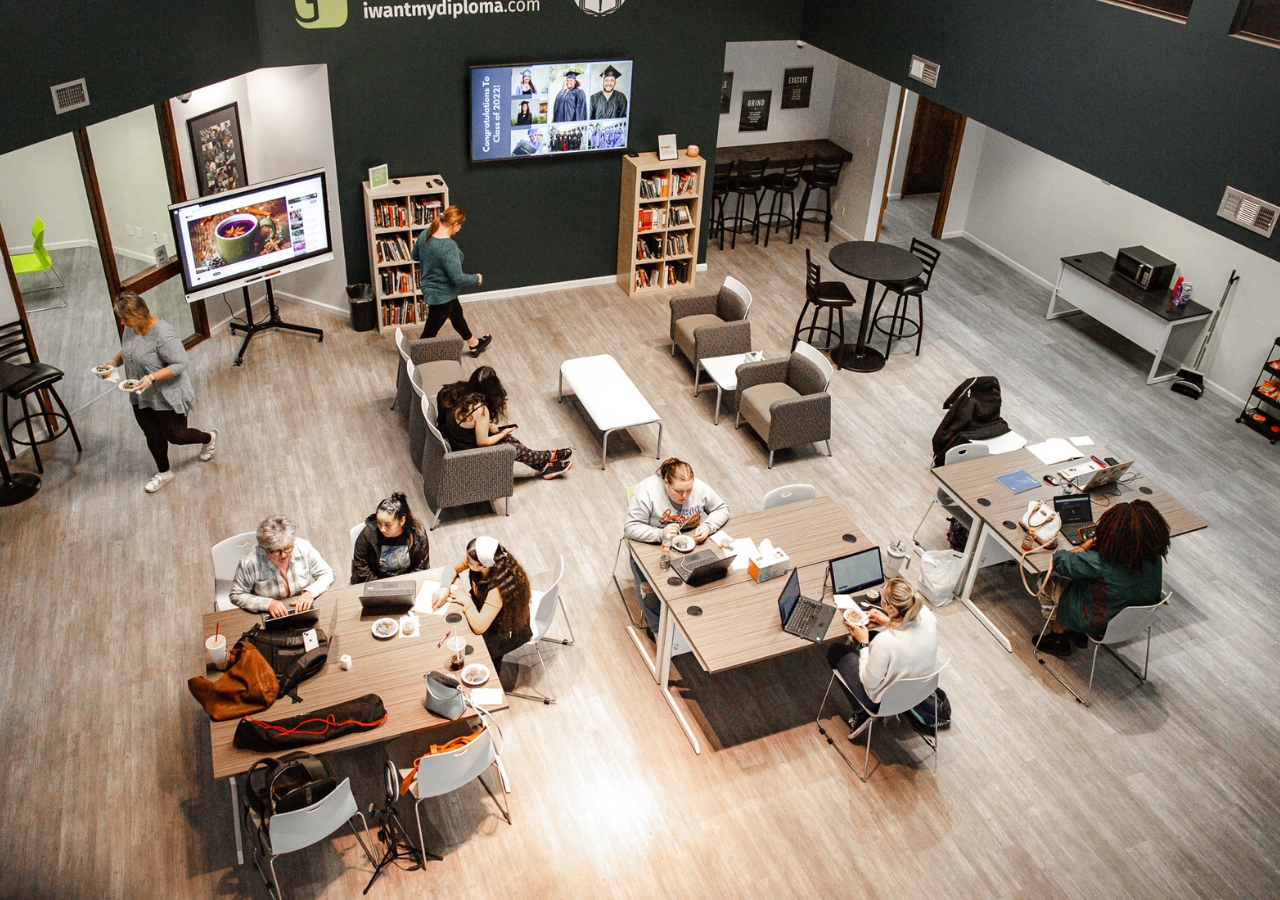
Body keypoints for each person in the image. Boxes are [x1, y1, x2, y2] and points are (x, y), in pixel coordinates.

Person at [103, 290, 217, 494]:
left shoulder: (163, 334)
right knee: (153, 435)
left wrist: (152, 377)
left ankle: (209, 438)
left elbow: (181, 363)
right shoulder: (131, 328)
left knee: (176, 435)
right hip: (142, 395)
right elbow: (128, 349)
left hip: (167, 395)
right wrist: (114, 362)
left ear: (139, 314)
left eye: (125, 318)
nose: (122, 322)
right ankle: (164, 472)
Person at [1032, 499, 1169, 657]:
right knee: (1093, 583)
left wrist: (1087, 544)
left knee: (1045, 582)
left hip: (1097, 623)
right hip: (1135, 622)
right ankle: (1076, 632)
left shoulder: (1101, 563)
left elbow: (1060, 561)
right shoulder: (1154, 555)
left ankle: (1058, 637)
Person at [623, 458, 730, 635]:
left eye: (689, 490)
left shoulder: (700, 488)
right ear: (666, 483)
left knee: (708, 578)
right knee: (652, 589)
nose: (684, 496)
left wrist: (707, 526)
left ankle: (694, 625)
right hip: (654, 546)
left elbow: (722, 508)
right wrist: (660, 534)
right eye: (679, 491)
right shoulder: (646, 492)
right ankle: (657, 629)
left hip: (690, 544)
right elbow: (630, 528)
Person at [827, 578, 939, 735]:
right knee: (873, 634)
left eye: (883, 600)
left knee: (836, 651)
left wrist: (863, 643)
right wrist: (888, 621)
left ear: (891, 608)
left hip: (883, 702)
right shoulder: (927, 616)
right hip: (919, 691)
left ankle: (860, 712)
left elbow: (868, 683)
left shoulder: (886, 642)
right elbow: (908, 639)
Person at [437, 366, 572, 479]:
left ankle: (545, 467)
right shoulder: (480, 409)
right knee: (514, 448)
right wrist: (502, 433)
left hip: (457, 442)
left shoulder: (462, 392)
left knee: (511, 440)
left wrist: (491, 428)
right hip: (467, 456)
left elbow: (468, 422)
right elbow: (482, 443)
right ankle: (549, 456)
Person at [432, 536, 533, 674]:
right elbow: (452, 567)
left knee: (482, 659)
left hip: (502, 630)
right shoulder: (481, 559)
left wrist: (467, 601)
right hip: (482, 607)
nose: (466, 562)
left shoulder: (497, 589)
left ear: (484, 566)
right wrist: (445, 587)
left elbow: (479, 626)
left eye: (469, 561)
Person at [411, 205, 491, 357]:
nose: (460, 228)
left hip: (437, 290)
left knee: (456, 314)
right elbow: (458, 278)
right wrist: (477, 277)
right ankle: (416, 359)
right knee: (430, 332)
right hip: (442, 295)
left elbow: (415, 256)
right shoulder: (448, 247)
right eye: (460, 225)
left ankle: (474, 344)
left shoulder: (425, 234)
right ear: (454, 225)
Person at [230, 514, 335, 618]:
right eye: (276, 551)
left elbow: (327, 573)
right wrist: (268, 604)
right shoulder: (249, 562)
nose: (283, 555)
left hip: (302, 610)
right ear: (264, 548)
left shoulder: (303, 547)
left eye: (287, 548)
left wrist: (310, 593)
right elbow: (236, 594)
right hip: (268, 614)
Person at [351, 492, 430, 584]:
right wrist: (384, 586)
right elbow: (362, 568)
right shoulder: (367, 534)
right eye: (379, 523)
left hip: (406, 583)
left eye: (387, 525)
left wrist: (403, 585)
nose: (382, 529)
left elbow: (421, 568)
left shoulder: (418, 536)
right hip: (376, 583)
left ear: (402, 520)